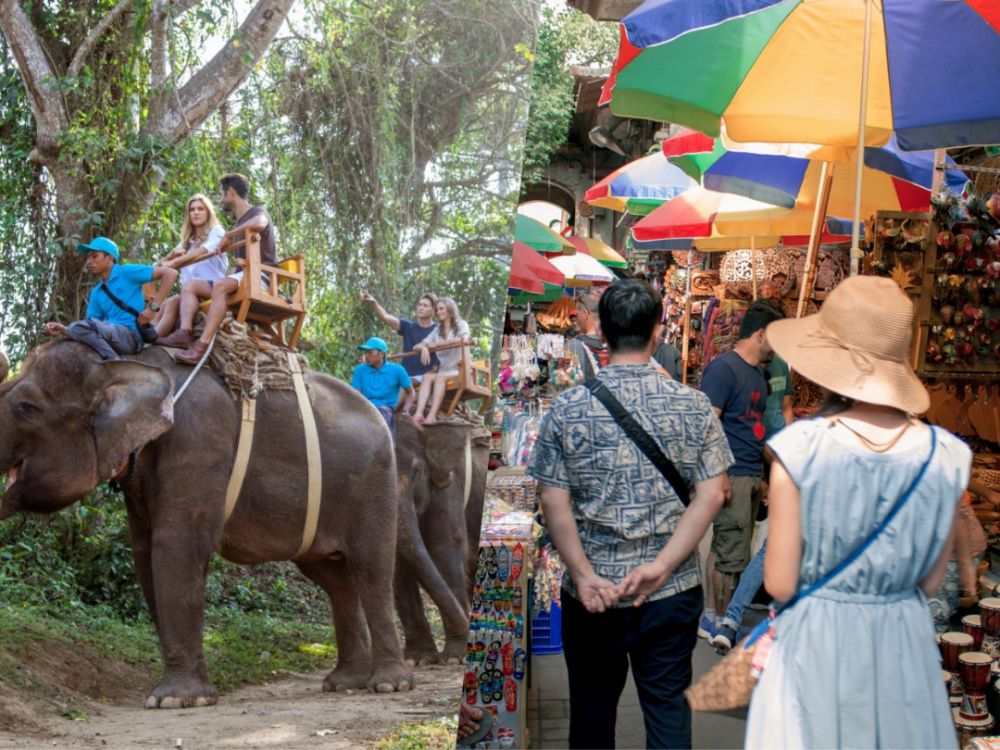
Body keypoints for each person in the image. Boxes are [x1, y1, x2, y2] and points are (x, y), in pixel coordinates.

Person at [744, 276, 969, 749]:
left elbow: (780, 583)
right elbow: (930, 582)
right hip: (902, 644)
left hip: (817, 643)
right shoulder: (946, 456)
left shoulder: (799, 450)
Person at [527, 279, 732, 750]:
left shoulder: (568, 408)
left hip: (592, 594)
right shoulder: (693, 405)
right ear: (658, 331)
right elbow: (714, 493)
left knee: (592, 717)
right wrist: (660, 568)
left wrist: (581, 575)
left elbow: (552, 499)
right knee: (667, 716)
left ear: (602, 333)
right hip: (671, 590)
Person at [697, 299, 785, 640]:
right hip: (731, 474)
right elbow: (707, 428)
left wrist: (767, 474)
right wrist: (719, 474)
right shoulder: (723, 369)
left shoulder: (760, 377)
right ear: (761, 334)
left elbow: (754, 429)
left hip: (749, 474)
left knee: (728, 548)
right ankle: (719, 620)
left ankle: (711, 616)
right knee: (729, 555)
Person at [710, 352, 794, 651]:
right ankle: (723, 618)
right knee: (738, 549)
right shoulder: (729, 368)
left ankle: (729, 620)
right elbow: (710, 422)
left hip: (763, 468)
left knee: (760, 550)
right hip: (746, 469)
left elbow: (784, 411)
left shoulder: (768, 370)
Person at [171, 173, 277, 365]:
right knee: (191, 286)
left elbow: (260, 224)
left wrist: (229, 234)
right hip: (242, 277)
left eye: (221, 194)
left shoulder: (257, 212)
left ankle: (201, 347)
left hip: (261, 278)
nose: (220, 199)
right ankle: (184, 333)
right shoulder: (240, 223)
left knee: (220, 285)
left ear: (230, 192)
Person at [43, 237, 178, 360]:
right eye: (88, 258)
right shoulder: (97, 292)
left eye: (94, 256)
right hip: (110, 335)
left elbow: (170, 274)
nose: (89, 262)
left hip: (131, 336)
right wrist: (62, 329)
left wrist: (153, 308)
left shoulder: (127, 272)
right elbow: (87, 328)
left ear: (110, 258)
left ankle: (115, 363)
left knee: (79, 327)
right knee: (79, 330)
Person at [154, 193, 228, 338]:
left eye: (200, 209)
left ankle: (184, 332)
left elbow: (206, 249)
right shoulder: (188, 241)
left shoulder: (217, 231)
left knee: (188, 286)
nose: (195, 213)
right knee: (169, 302)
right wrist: (170, 256)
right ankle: (152, 336)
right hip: (190, 292)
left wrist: (174, 262)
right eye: (192, 210)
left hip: (213, 286)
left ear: (208, 213)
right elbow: (158, 265)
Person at [411, 297, 470, 425]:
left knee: (439, 377)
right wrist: (424, 348)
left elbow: (464, 340)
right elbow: (416, 346)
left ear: (450, 309)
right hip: (444, 370)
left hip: (459, 369)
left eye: (442, 308)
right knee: (427, 377)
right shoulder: (437, 330)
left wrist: (437, 345)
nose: (439, 312)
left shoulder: (461, 325)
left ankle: (432, 416)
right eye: (437, 309)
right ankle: (418, 414)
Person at [361, 291, 438, 382]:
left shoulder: (437, 330)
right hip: (406, 377)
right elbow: (386, 317)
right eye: (420, 305)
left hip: (426, 378)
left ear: (433, 310)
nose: (421, 308)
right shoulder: (408, 326)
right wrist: (374, 303)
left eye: (425, 306)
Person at [351, 337, 414, 435]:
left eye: (370, 352)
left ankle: (388, 447)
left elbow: (410, 392)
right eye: (365, 352)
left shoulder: (397, 370)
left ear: (382, 354)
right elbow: (356, 394)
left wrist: (405, 410)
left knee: (382, 413)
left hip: (385, 408)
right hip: (365, 406)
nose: (366, 356)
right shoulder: (360, 370)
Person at [567, 293, 607, 381]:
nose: (577, 320)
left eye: (577, 315)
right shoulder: (617, 341)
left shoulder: (576, 344)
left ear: (585, 314)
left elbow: (574, 381)